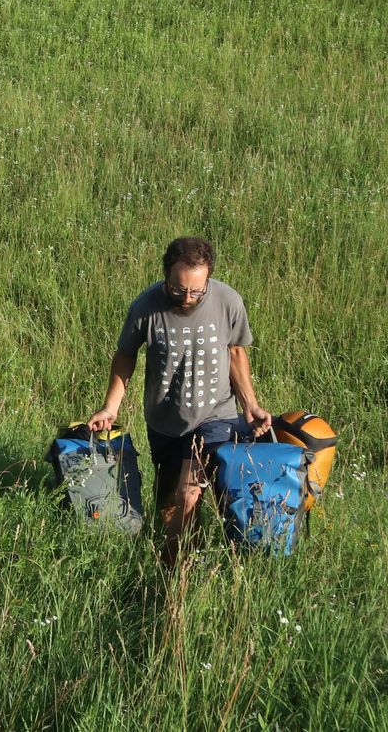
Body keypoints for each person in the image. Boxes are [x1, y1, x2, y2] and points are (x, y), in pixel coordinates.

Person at [86, 236, 271, 566]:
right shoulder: (145, 307)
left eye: (197, 291)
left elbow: (236, 352)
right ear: (166, 276)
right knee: (171, 507)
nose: (188, 297)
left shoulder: (228, 301)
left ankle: (173, 578)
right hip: (165, 422)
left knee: (187, 493)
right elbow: (126, 355)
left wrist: (250, 405)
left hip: (216, 416)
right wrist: (110, 408)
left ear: (209, 278)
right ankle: (189, 562)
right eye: (178, 289)